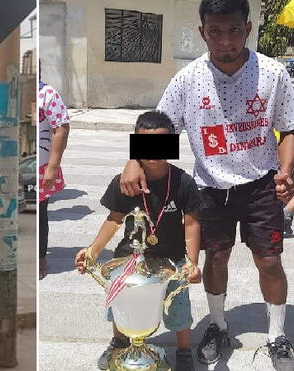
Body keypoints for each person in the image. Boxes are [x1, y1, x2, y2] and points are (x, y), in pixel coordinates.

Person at [119, 1, 294, 369]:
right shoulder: (187, 79)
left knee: (269, 261)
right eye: (215, 32)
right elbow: (160, 127)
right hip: (209, 187)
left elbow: (291, 128)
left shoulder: (272, 72)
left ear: (248, 29)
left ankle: (277, 336)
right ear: (202, 32)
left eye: (234, 30)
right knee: (215, 258)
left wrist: (286, 170)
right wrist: (131, 161)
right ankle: (219, 327)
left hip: (261, 184)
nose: (225, 40)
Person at [74, 112, 202, 371]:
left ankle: (184, 349)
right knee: (120, 303)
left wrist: (192, 262)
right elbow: (113, 220)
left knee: (178, 308)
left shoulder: (182, 183)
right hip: (129, 259)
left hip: (172, 258)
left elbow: (191, 224)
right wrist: (92, 250)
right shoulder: (124, 183)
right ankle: (119, 343)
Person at [39, 74, 70, 280]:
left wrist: (52, 166)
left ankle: (40, 258)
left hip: (41, 166)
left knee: (40, 213)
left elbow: (62, 127)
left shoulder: (47, 94)